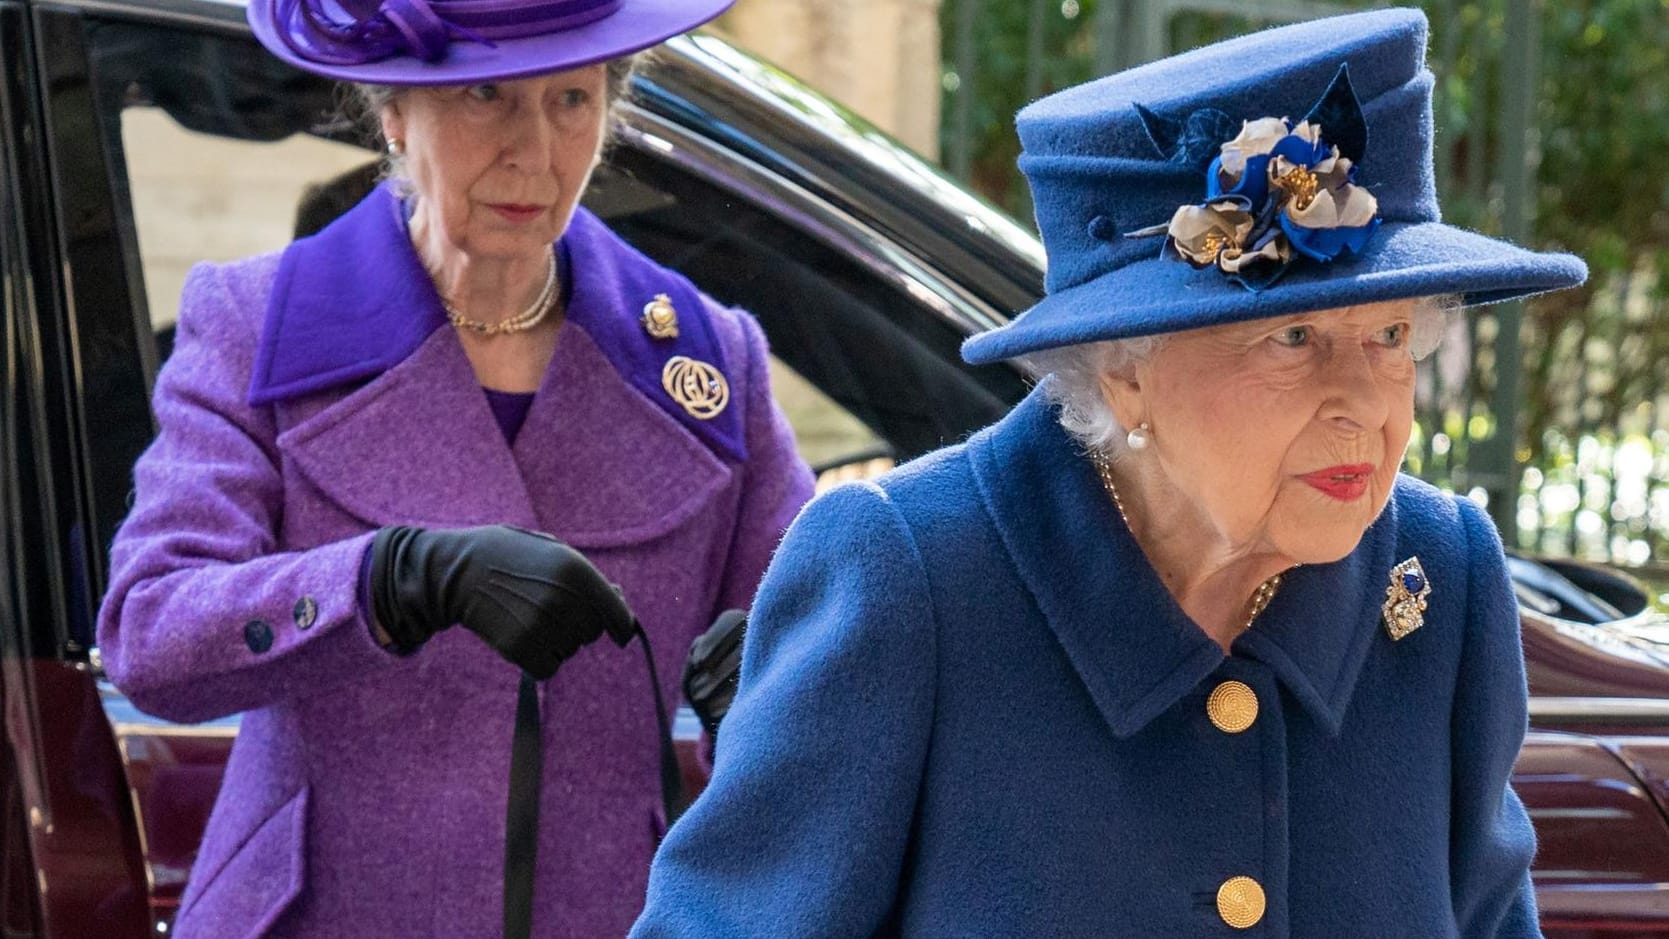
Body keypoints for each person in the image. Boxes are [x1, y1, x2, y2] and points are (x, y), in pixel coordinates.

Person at [631, 9, 1586, 938]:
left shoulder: (1438, 575)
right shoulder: (913, 579)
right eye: (1293, 337)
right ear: (1126, 369)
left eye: (1388, 334)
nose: (1364, 402)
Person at [95, 0, 814, 935]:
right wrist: (388, 579)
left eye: (571, 99)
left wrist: (775, 692)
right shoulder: (256, 327)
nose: (535, 152)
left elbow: (819, 659)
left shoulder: (709, 364)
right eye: (484, 94)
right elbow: (150, 635)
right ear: (394, 109)